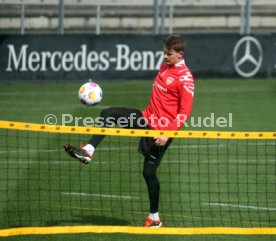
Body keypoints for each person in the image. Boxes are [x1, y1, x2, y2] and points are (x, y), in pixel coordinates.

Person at [64, 35, 194, 228]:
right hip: (145, 118)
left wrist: (167, 134)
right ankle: (89, 150)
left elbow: (184, 113)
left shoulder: (185, 79)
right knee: (109, 114)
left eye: (169, 54)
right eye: (164, 52)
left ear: (180, 54)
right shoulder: (166, 65)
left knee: (149, 172)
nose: (164, 56)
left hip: (159, 132)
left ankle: (154, 218)